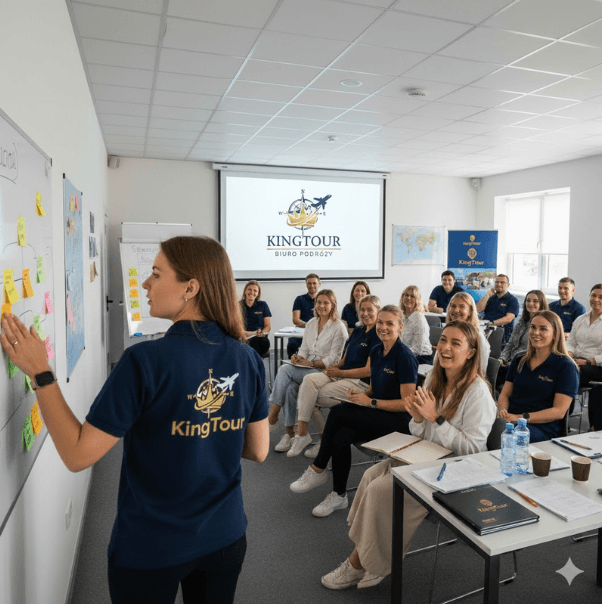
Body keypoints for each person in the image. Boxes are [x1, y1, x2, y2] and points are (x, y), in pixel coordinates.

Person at [0, 236, 269, 604]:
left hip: (151, 547)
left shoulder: (144, 361)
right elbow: (258, 450)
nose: (145, 284)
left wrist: (40, 372)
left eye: (156, 274)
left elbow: (78, 454)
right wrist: (205, 436)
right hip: (225, 537)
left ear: (190, 288)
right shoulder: (248, 358)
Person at [320, 321, 496, 590]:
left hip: (458, 469)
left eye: (456, 343)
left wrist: (435, 419)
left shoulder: (478, 392)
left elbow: (472, 451)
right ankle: (369, 554)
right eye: (444, 340)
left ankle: (360, 564)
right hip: (430, 456)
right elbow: (421, 431)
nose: (445, 347)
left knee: (381, 491)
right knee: (370, 475)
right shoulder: (436, 378)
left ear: (471, 352)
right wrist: (418, 418)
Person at [289, 305, 418, 518]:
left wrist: (370, 402)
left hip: (399, 422)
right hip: (377, 413)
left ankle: (318, 468)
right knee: (342, 433)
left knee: (338, 413)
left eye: (390, 323)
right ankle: (339, 495)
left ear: (400, 327)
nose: (383, 327)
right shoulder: (376, 351)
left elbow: (407, 404)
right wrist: (360, 395)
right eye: (380, 322)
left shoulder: (405, 357)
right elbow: (374, 387)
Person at [288, 295, 381, 458]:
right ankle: (303, 434)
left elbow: (368, 371)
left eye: (370, 310)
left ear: (378, 311)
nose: (365, 313)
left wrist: (341, 373)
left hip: (359, 382)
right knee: (308, 381)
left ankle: (324, 441)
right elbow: (344, 358)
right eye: (362, 310)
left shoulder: (378, 335)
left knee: (309, 396)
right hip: (342, 375)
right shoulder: (358, 329)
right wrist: (335, 367)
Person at [268, 289, 348, 452]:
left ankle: (272, 417)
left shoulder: (339, 327)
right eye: (319, 302)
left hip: (325, 372)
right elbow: (304, 349)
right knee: (290, 388)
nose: (321, 306)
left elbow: (334, 360)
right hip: (307, 367)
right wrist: (298, 358)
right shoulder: (311, 323)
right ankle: (289, 433)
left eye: (326, 303)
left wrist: (310, 364)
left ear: (333, 305)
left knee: (284, 370)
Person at [498, 310, 579, 442]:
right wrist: (503, 413)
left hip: (542, 428)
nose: (536, 332)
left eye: (543, 329)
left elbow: (559, 411)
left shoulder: (566, 366)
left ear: (555, 334)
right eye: (533, 327)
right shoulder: (519, 359)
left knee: (505, 436)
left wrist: (520, 418)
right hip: (511, 420)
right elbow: (505, 394)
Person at [567, 284, 602, 431]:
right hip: (577, 362)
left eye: (601, 297)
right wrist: (569, 354)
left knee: (569, 372)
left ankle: (563, 414)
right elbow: (571, 342)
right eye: (593, 295)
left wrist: (588, 361)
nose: (596, 299)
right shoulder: (581, 319)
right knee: (561, 367)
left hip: (596, 366)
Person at [498, 290, 548, 389]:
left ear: (542, 303)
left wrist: (514, 362)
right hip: (511, 362)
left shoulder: (544, 325)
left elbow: (538, 352)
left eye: (535, 301)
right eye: (528, 300)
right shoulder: (522, 321)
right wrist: (502, 358)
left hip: (525, 365)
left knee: (496, 379)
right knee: (492, 369)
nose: (530, 304)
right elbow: (510, 344)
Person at [443, 292, 490, 373]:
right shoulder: (447, 333)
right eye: (453, 306)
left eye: (462, 306)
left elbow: (481, 369)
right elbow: (438, 361)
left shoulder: (478, 336)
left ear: (470, 311)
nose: (456, 310)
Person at [476, 274, 520, 344]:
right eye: (497, 282)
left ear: (508, 285)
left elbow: (509, 318)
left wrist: (492, 323)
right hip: (485, 331)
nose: (499, 284)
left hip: (502, 334)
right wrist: (487, 295)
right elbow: (477, 309)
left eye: (502, 282)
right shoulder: (490, 298)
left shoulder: (512, 300)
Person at [287, 273, 321, 358]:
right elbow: (296, 320)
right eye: (309, 283)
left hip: (320, 330)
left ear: (319, 284)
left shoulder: (323, 300)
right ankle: (293, 363)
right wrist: (309, 326)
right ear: (306, 285)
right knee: (292, 344)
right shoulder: (299, 299)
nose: (312, 286)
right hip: (302, 330)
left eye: (314, 283)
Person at [400, 285, 432, 364]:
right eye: (406, 295)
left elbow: (417, 349)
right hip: (406, 355)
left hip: (421, 358)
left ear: (417, 300)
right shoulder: (401, 317)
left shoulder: (419, 319)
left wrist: (399, 355)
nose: (408, 298)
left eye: (412, 296)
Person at [240, 280, 271, 356]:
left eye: (255, 290)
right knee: (248, 344)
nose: (252, 292)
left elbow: (268, 326)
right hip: (244, 337)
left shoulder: (263, 305)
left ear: (258, 293)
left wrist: (261, 333)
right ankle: (255, 362)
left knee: (263, 343)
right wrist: (252, 333)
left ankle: (252, 362)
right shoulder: (238, 305)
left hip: (259, 337)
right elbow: (236, 327)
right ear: (245, 291)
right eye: (249, 289)